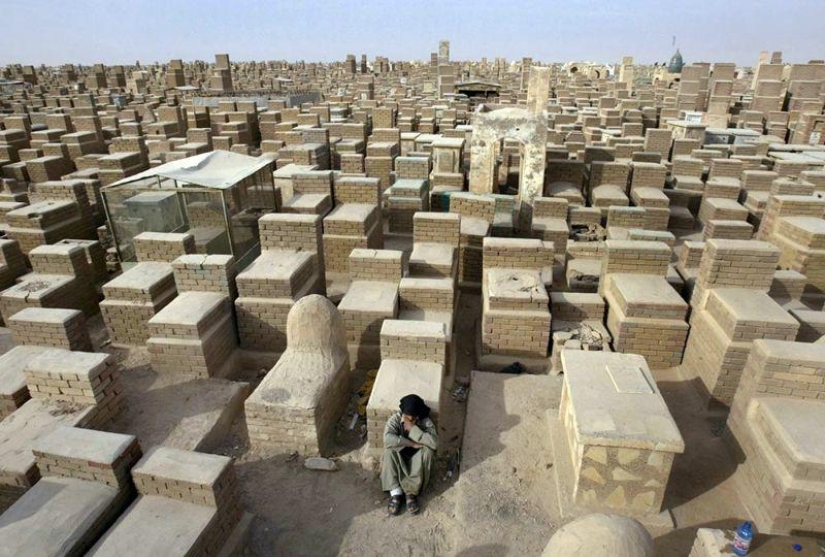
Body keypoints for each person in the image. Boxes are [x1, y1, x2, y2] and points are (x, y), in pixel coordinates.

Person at [381, 394, 438, 516]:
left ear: (417, 417)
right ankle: (396, 492)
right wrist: (411, 444)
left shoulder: (425, 421)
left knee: (428, 452)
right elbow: (387, 439)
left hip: (416, 458)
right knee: (388, 451)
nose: (408, 421)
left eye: (412, 419)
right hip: (401, 453)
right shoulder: (395, 419)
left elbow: (434, 443)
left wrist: (413, 429)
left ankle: (410, 492)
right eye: (406, 418)